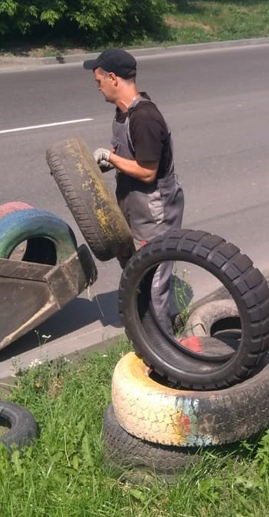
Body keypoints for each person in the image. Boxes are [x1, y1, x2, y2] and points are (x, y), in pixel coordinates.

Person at [86, 48, 184, 332]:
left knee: (154, 283)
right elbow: (130, 157)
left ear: (113, 78)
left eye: (99, 81)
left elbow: (147, 171)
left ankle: (167, 350)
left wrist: (111, 158)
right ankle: (149, 333)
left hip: (156, 211)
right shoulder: (122, 113)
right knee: (135, 276)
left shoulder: (145, 118)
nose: (98, 87)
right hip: (132, 208)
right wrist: (108, 164)